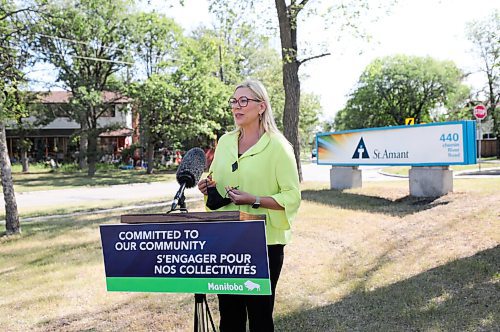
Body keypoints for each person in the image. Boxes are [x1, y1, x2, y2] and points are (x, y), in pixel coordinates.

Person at [197, 79, 301, 331]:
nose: (237, 106)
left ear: (261, 106)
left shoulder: (278, 146)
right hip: (226, 239)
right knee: (229, 316)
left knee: (259, 316)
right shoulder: (224, 142)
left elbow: (292, 196)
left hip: (263, 243)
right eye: (234, 101)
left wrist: (253, 199)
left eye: (244, 101)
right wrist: (205, 183)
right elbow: (214, 175)